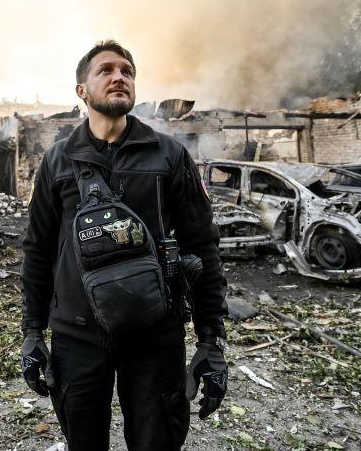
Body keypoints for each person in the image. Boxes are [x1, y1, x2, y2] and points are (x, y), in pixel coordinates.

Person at [20, 39, 228, 451]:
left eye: (127, 71)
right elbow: (38, 250)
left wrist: (211, 342)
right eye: (106, 70)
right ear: (82, 91)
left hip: (155, 337)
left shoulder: (170, 156)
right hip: (76, 337)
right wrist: (32, 331)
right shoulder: (57, 162)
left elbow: (203, 249)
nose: (120, 77)